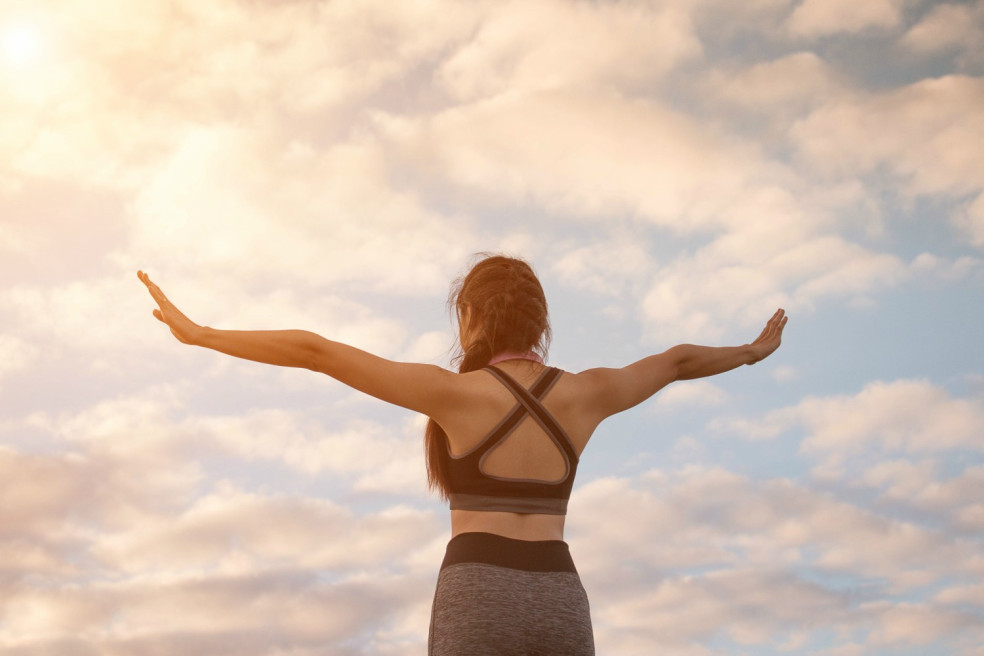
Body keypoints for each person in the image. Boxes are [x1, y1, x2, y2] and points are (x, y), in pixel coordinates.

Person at [138, 254, 787, 656]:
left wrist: (201, 335)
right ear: (540, 323)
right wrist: (751, 352)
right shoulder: (588, 394)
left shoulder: (451, 395)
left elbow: (317, 351)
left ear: (471, 316)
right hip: (561, 597)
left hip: (478, 594)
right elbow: (675, 361)